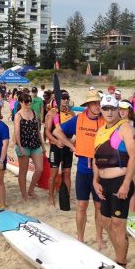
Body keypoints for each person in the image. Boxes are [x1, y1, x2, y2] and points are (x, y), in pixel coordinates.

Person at [53, 92, 105, 246]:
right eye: (94, 103)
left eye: (98, 103)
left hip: (100, 169)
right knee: (82, 205)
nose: (97, 106)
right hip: (83, 168)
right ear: (88, 105)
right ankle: (80, 238)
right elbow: (57, 132)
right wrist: (71, 146)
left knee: (98, 206)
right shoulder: (79, 119)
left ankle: (99, 238)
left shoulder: (104, 120)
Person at [93, 94, 135, 266]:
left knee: (118, 224)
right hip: (103, 184)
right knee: (105, 221)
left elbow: (134, 156)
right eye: (106, 109)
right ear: (101, 110)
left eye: (113, 109)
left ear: (119, 110)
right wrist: (95, 181)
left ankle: (121, 262)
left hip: (120, 181)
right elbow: (95, 157)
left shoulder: (125, 128)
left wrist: (127, 183)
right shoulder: (101, 130)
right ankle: (120, 247)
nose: (109, 112)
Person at [12, 92, 45, 199]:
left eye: (30, 101)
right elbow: (16, 132)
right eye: (26, 102)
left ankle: (31, 190)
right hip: (24, 145)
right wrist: (20, 146)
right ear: (21, 102)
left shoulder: (34, 113)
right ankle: (24, 194)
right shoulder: (18, 115)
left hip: (35, 144)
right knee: (23, 171)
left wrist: (43, 146)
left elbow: (38, 131)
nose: (29, 103)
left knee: (39, 169)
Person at [45, 93, 74, 208]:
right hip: (55, 146)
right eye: (63, 98)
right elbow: (47, 131)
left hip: (67, 146)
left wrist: (73, 143)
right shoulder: (52, 113)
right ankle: (51, 197)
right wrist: (56, 141)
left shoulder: (71, 114)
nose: (66, 100)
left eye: (67, 98)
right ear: (58, 99)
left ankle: (66, 197)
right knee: (54, 174)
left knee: (67, 173)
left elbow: (76, 130)